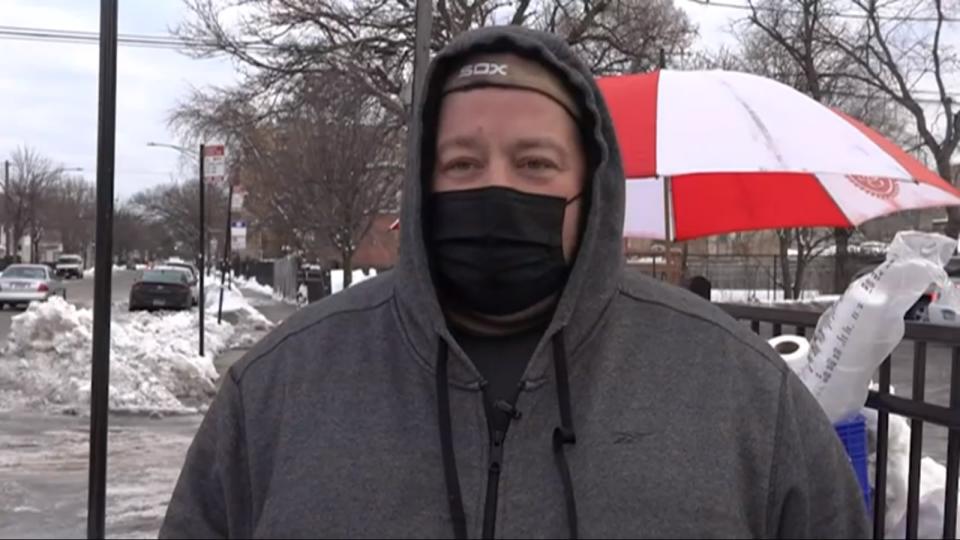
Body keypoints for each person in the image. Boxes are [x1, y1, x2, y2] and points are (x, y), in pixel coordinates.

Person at [160, 25, 870, 539]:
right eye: (463, 164)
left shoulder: (741, 393)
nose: (495, 187)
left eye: (534, 164)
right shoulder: (281, 388)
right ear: (420, 185)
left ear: (589, 191)